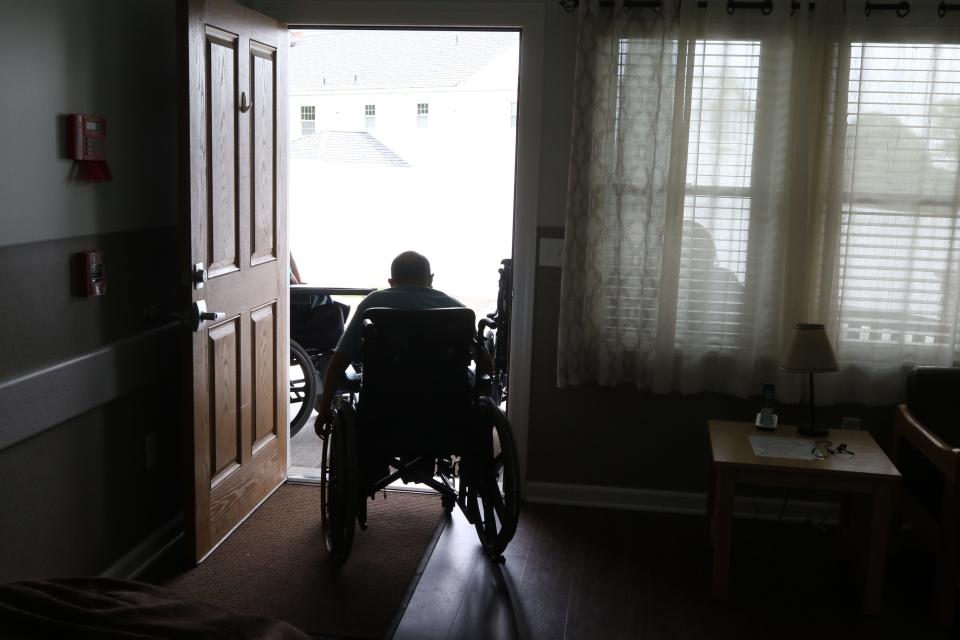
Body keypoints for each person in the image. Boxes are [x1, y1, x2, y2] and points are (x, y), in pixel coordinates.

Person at [315, 251, 488, 431]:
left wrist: (324, 410)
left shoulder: (372, 304)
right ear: (431, 278)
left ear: (391, 282)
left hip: (383, 410)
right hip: (445, 410)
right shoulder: (457, 309)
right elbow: (485, 362)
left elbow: (337, 363)